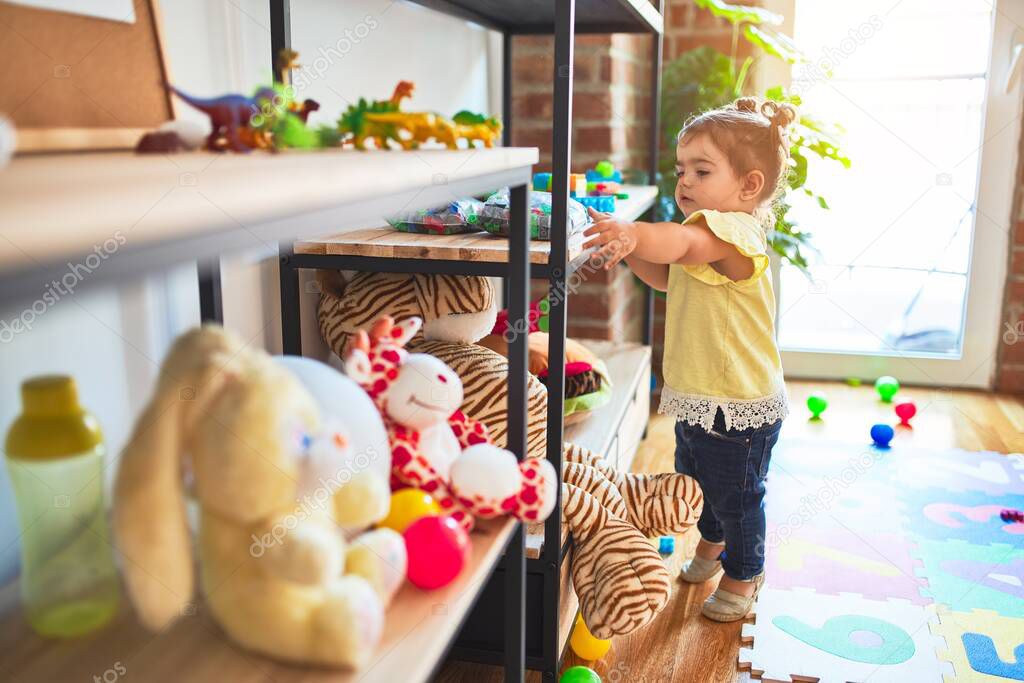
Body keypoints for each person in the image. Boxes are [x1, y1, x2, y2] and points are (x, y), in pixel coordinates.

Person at [582, 97, 795, 621]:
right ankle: (711, 548)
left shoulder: (733, 233)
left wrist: (636, 232)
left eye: (702, 170)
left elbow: (678, 243)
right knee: (698, 481)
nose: (685, 183)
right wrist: (630, 249)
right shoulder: (704, 237)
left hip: (740, 402)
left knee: (737, 496)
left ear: (749, 185)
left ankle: (746, 575)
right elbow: (668, 274)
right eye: (681, 171)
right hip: (703, 397)